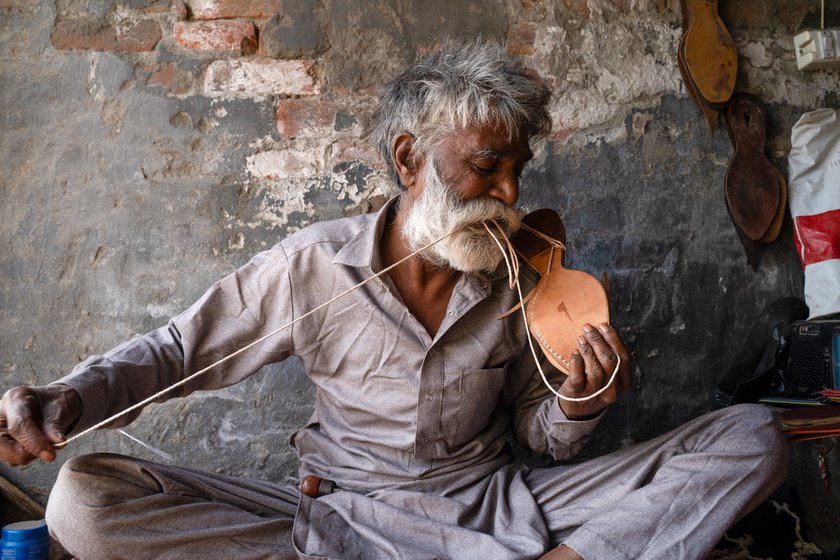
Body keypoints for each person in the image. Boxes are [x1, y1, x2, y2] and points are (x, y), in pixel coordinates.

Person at [0, 40, 787, 560]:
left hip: (491, 514)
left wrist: (579, 406)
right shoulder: (314, 265)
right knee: (85, 502)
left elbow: (536, 436)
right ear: (411, 158)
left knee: (754, 436)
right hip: (338, 522)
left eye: (518, 170)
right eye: (486, 167)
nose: (511, 193)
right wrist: (65, 399)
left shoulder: (520, 274)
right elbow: (176, 354)